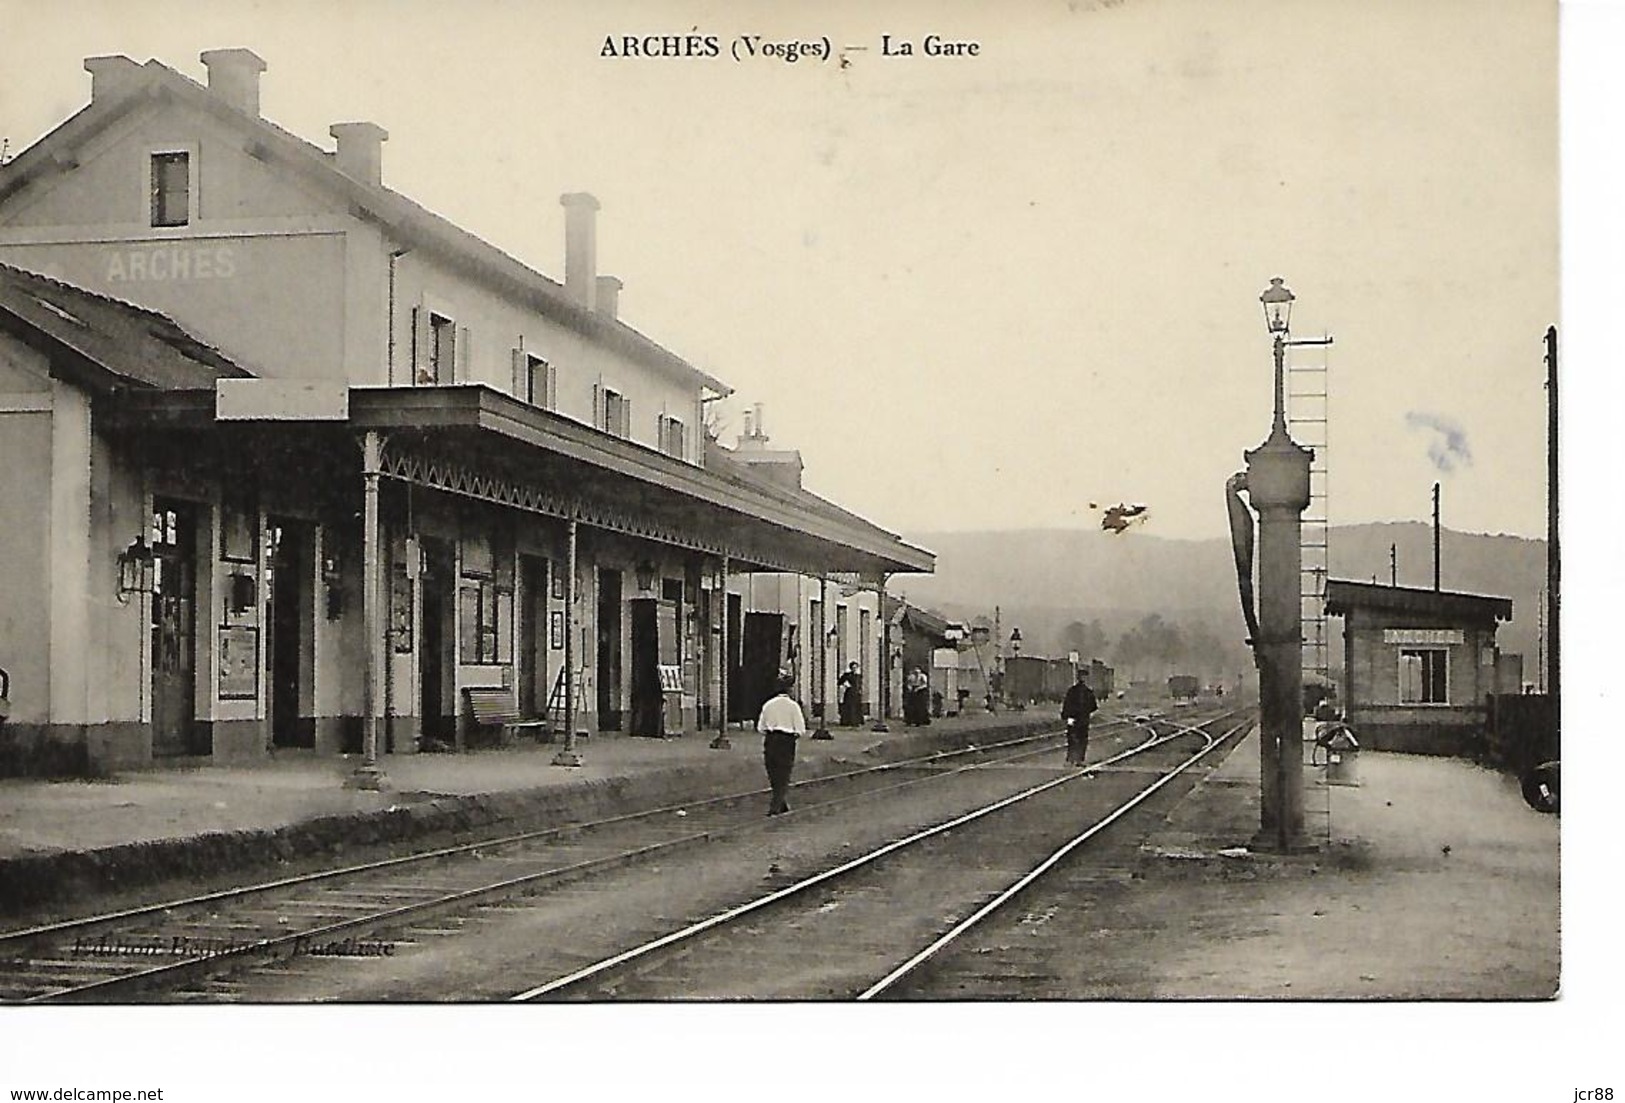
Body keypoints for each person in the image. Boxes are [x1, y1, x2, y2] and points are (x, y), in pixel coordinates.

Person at [756, 672, 806, 815]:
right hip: (787, 741)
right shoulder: (793, 706)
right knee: (784, 772)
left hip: (771, 740)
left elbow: (761, 727)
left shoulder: (768, 705)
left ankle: (780, 803)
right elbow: (800, 729)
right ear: (789, 690)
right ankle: (776, 806)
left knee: (773, 771)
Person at [1061, 668, 1099, 767]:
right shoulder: (1088, 692)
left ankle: (1071, 758)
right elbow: (1093, 707)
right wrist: (1086, 712)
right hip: (1083, 719)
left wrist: (1066, 716)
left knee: (1072, 738)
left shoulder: (1072, 691)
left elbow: (1066, 705)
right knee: (1082, 739)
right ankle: (1079, 759)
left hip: (1073, 718)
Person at [837, 661, 862, 726]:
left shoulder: (858, 676)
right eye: (853, 667)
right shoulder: (847, 675)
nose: (854, 669)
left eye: (856, 667)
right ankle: (847, 721)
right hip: (849, 693)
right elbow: (839, 682)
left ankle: (856, 721)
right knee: (849, 707)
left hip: (856, 693)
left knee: (856, 707)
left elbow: (860, 684)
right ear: (851, 668)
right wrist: (845, 684)